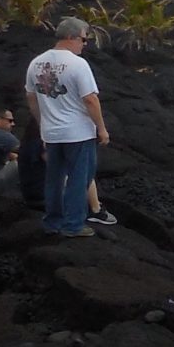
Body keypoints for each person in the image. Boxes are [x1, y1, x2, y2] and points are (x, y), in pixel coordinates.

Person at [24, 17, 108, 237]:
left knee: (53, 179)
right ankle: (73, 225)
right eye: (83, 38)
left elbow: (31, 97)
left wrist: (43, 124)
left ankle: (52, 222)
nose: (85, 43)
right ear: (71, 37)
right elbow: (90, 99)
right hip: (78, 133)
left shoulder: (36, 63)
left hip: (52, 133)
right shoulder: (78, 64)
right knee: (80, 179)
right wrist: (101, 128)